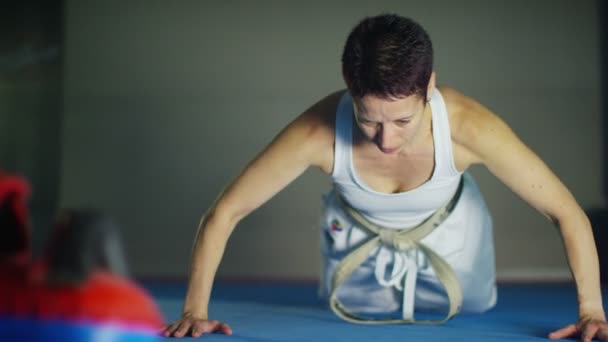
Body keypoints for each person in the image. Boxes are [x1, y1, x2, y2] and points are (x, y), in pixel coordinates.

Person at [162, 14, 607, 340]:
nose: (386, 140)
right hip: (359, 240)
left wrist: (591, 310)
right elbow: (224, 212)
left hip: (452, 238)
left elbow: (566, 212)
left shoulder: (470, 127)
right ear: (349, 86)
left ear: (429, 86)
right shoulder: (317, 131)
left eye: (402, 121)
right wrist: (195, 308)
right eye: (369, 120)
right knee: (349, 311)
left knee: (473, 305)